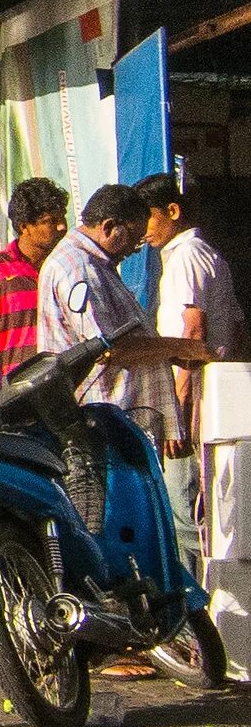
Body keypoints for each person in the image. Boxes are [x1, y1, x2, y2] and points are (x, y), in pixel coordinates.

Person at [38, 183, 213, 678]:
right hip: (101, 419)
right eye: (131, 236)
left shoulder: (97, 266)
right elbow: (106, 350)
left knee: (131, 525)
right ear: (109, 227)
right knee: (111, 527)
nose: (137, 246)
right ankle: (111, 643)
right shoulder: (77, 269)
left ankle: (130, 632)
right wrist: (181, 348)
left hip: (123, 422)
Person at [136, 172, 244, 566]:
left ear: (172, 211)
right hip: (213, 398)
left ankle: (196, 610)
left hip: (191, 399)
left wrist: (176, 413)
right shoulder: (208, 254)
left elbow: (192, 331)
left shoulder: (185, 257)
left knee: (184, 515)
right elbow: (235, 325)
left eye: (147, 219)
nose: (142, 232)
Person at [0, 177, 70, 408]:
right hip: (21, 397)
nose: (61, 227)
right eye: (50, 221)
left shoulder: (71, 266)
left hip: (73, 390)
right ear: (24, 227)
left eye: (63, 218)